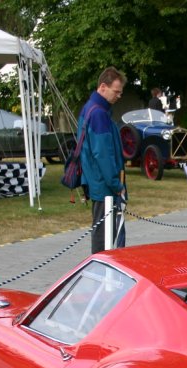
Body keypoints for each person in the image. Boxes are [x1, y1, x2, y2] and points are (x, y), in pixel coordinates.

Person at [78, 66, 127, 252]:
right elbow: (103, 154)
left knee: (104, 236)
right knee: (103, 240)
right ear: (103, 87)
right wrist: (117, 184)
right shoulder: (99, 113)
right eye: (116, 92)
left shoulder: (91, 108)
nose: (118, 96)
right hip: (104, 187)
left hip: (98, 183)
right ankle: (102, 277)